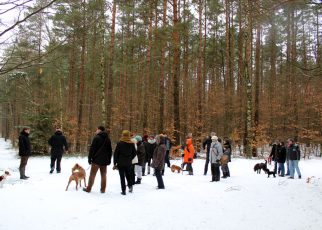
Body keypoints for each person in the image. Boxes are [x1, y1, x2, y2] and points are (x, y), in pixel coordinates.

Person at [83, 126, 112, 193]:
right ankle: (103, 190)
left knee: (92, 175)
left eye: (97, 129)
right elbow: (110, 151)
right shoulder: (108, 139)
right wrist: (109, 160)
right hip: (104, 161)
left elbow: (92, 149)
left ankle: (88, 189)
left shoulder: (96, 138)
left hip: (96, 160)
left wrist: (89, 158)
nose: (96, 131)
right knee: (104, 175)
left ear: (99, 130)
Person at [113, 130, 137, 195]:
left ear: (123, 135)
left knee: (122, 177)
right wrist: (130, 158)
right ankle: (130, 186)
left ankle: (123, 191)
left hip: (120, 162)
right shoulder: (131, 143)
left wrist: (115, 163)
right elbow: (134, 153)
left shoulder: (120, 143)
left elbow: (116, 154)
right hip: (128, 162)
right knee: (128, 175)